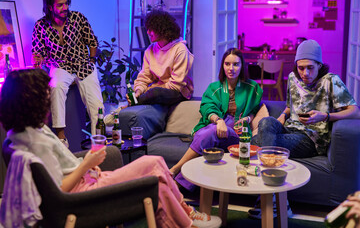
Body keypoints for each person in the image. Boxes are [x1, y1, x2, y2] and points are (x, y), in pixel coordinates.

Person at [0, 69, 222, 228]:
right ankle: (188, 218)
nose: (49, 96)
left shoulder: (21, 134)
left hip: (85, 181)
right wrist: (87, 164)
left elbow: (60, 169)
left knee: (159, 180)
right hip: (81, 195)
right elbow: (60, 188)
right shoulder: (35, 141)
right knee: (154, 163)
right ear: (31, 100)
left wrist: (84, 165)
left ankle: (187, 218)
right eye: (45, 93)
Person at [249, 39, 360, 219]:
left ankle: (268, 198)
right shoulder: (293, 78)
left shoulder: (331, 81)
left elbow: (355, 111)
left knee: (256, 143)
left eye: (310, 68)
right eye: (301, 68)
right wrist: (277, 120)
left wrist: (326, 116)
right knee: (265, 123)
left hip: (311, 139)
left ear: (319, 65)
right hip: (289, 130)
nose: (305, 73)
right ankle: (278, 199)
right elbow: (288, 107)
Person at [170, 48, 263, 191]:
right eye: (227, 64)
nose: (231, 68)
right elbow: (207, 107)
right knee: (210, 136)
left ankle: (176, 169)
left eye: (236, 64)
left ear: (242, 65)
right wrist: (219, 121)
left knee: (209, 133)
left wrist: (248, 119)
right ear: (222, 66)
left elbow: (256, 109)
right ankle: (182, 184)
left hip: (237, 134)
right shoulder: (215, 87)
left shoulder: (252, 87)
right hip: (217, 124)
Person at [31, 0, 104, 146]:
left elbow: (92, 41)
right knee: (56, 87)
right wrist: (38, 60)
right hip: (60, 65)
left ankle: (97, 143)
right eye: (60, 5)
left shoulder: (78, 18)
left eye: (66, 4)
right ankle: (61, 138)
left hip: (83, 64)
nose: (65, 8)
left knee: (97, 105)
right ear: (50, 7)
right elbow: (39, 52)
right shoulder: (40, 26)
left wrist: (91, 60)